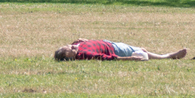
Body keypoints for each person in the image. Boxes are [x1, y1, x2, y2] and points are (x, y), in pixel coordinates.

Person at [54, 39, 187, 61]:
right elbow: (107, 58)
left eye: (69, 45)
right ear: (72, 57)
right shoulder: (85, 55)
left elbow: (79, 43)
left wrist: (83, 40)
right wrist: (129, 59)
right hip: (115, 49)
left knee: (141, 49)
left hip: (109, 43)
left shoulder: (78, 47)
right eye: (71, 49)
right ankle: (168, 56)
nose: (73, 46)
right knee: (142, 51)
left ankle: (168, 56)